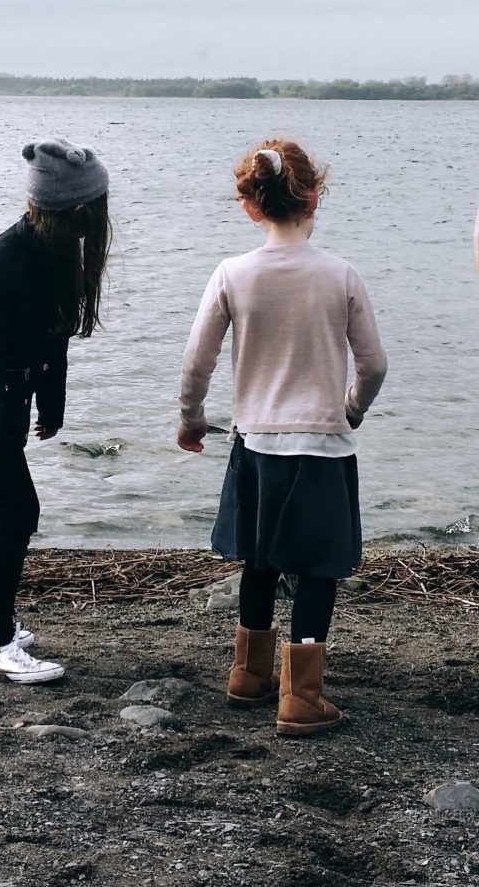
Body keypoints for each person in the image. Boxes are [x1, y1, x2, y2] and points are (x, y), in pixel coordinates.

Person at [178, 141, 387, 735]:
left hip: (256, 440)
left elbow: (197, 361)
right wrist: (352, 409)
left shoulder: (233, 273)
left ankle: (249, 674)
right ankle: (302, 696)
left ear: (251, 206)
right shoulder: (340, 274)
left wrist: (192, 417)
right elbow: (373, 366)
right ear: (315, 196)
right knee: (318, 568)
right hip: (322, 443)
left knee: (260, 559)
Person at [0, 138, 111, 683]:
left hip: (3, 398)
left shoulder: (51, 251)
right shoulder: (4, 262)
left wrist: (52, 404)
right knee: (17, 513)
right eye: (98, 207)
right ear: (77, 211)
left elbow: (51, 336)